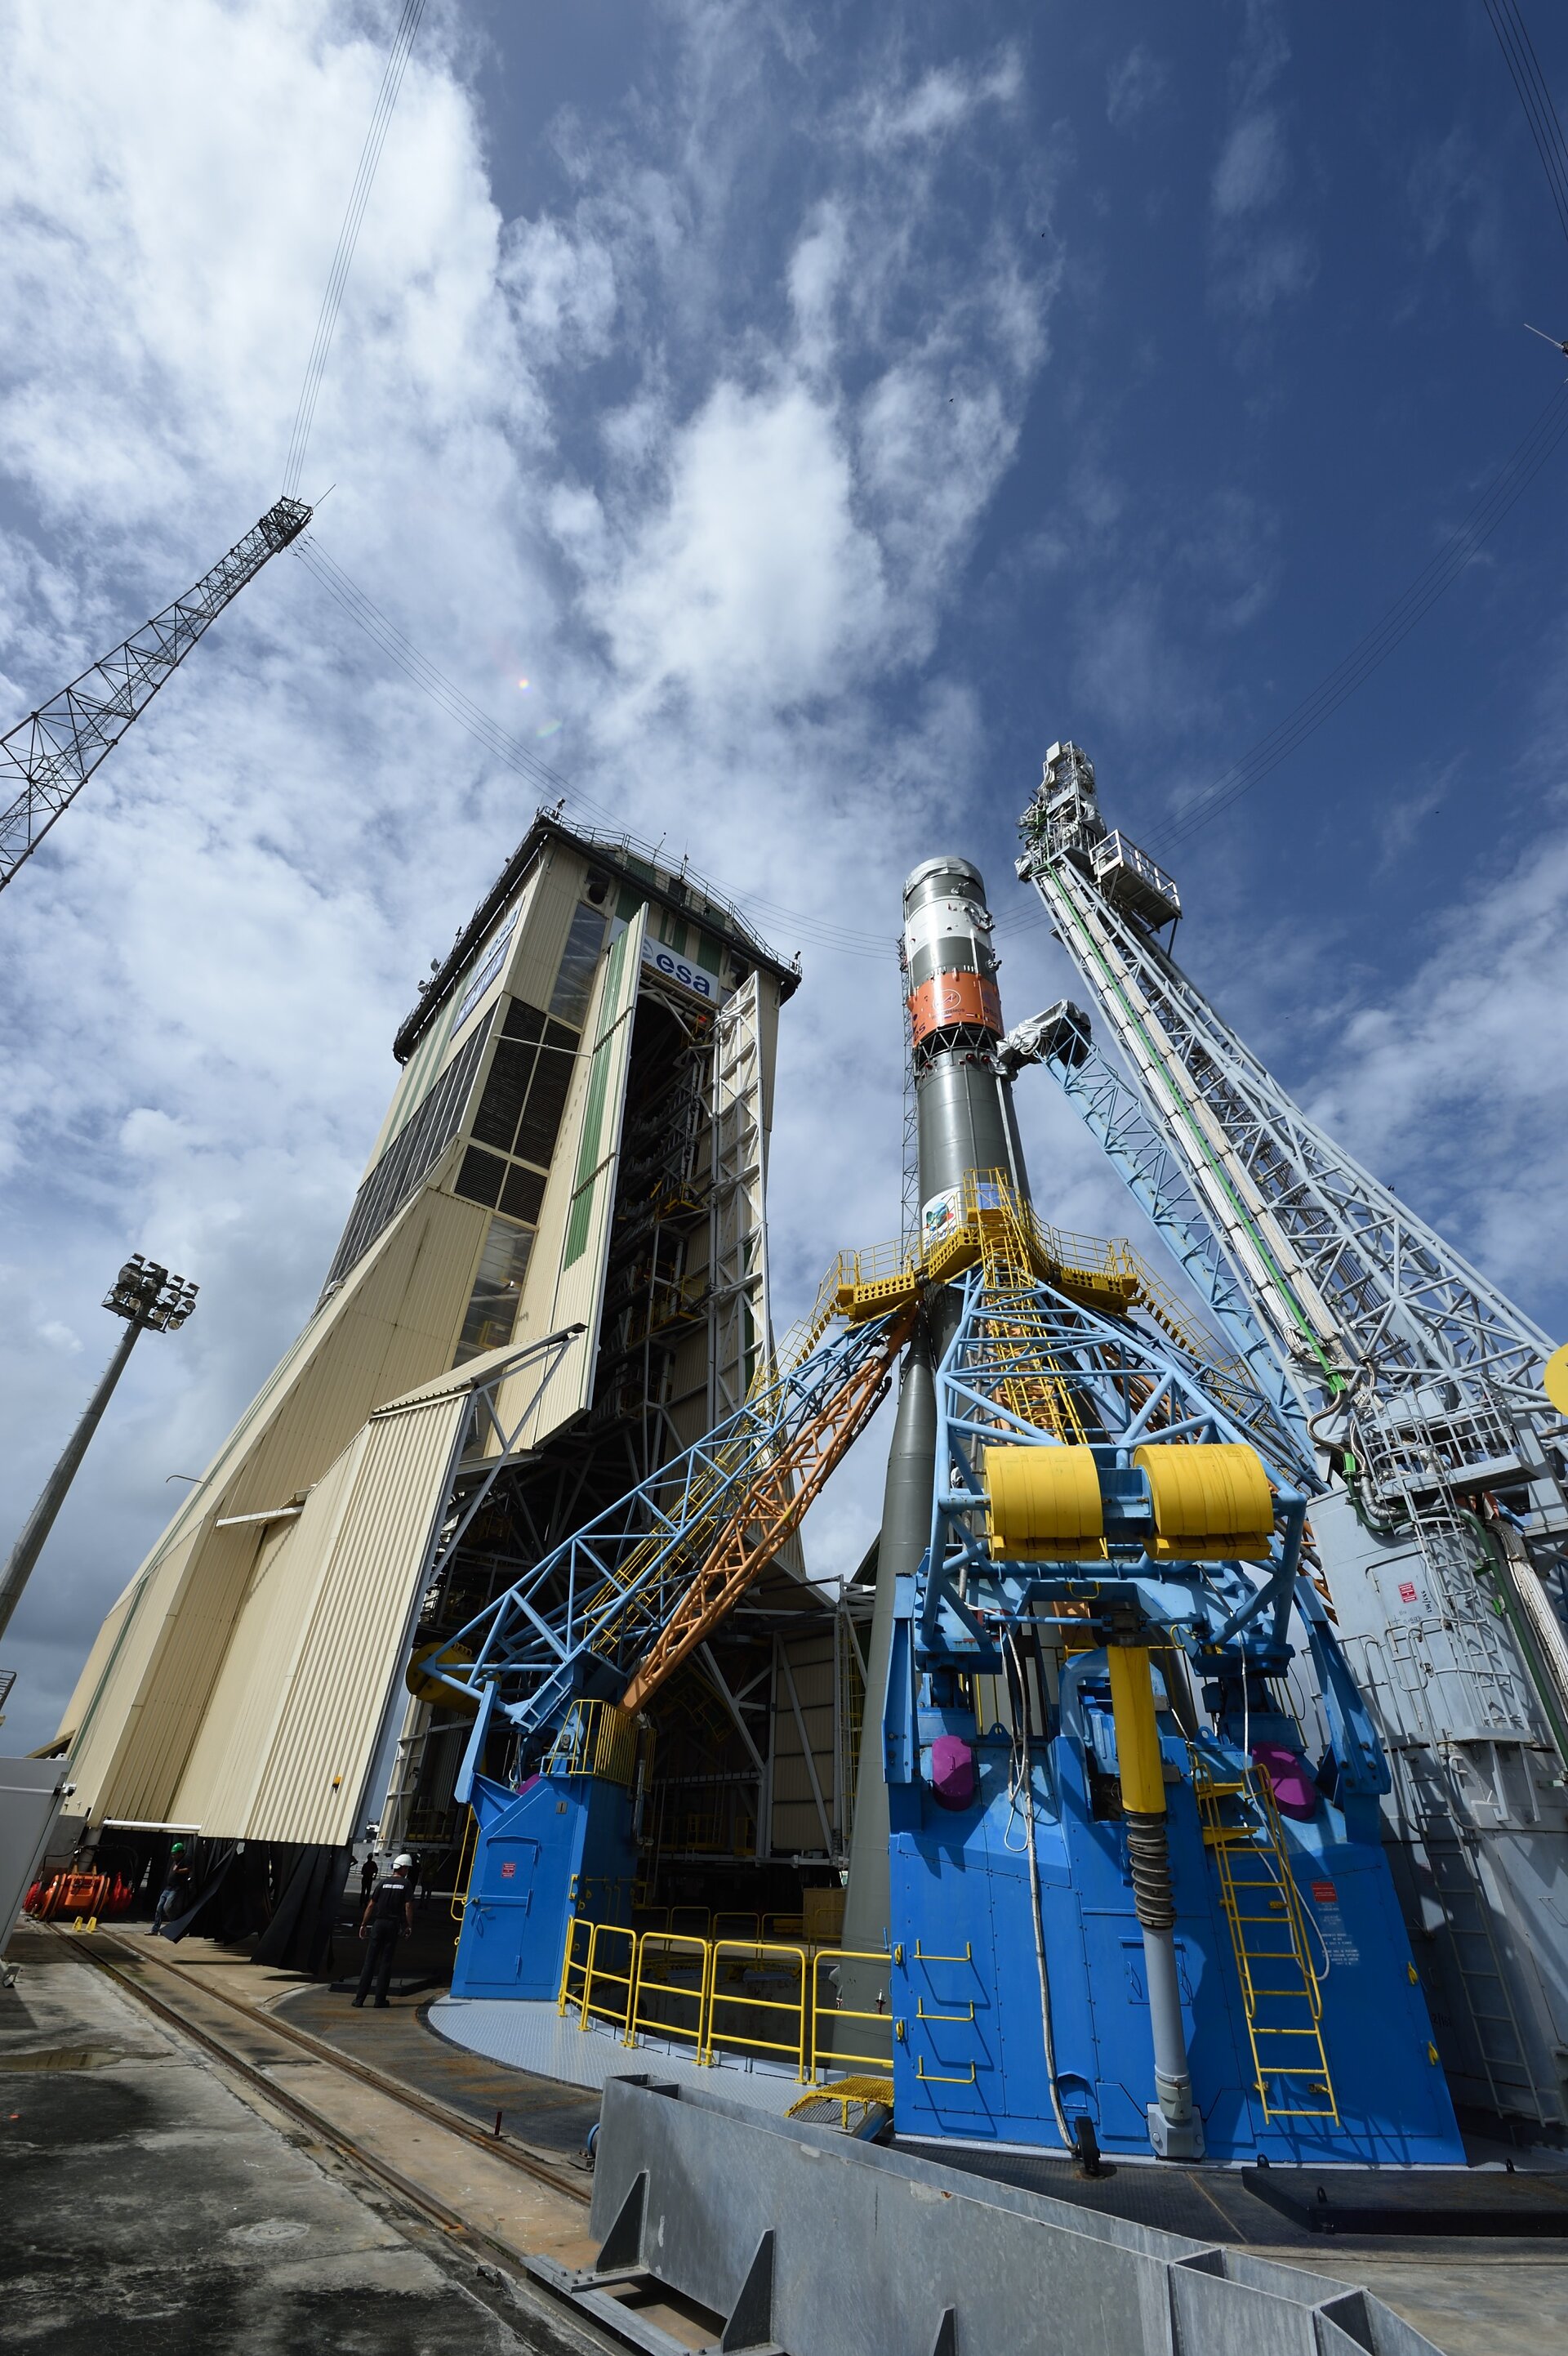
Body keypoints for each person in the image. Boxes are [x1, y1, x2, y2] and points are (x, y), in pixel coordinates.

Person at [353, 1852, 414, 2008]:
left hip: (378, 1924)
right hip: (392, 1926)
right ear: (404, 1868)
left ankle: (359, 1999)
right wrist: (408, 1925)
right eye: (407, 1869)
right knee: (386, 1963)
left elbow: (371, 1904)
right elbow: (408, 1906)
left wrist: (363, 1924)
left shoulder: (383, 1883)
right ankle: (379, 2000)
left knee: (369, 1962)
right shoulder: (406, 1885)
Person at [151, 1842, 192, 1936]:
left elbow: (190, 1869)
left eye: (175, 1854)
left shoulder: (185, 1859)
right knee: (159, 1908)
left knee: (168, 1908)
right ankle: (155, 1929)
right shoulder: (176, 1861)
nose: (173, 1856)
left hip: (175, 1888)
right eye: (172, 1854)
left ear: (180, 1853)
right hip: (168, 1887)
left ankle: (176, 1926)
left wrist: (178, 1871)